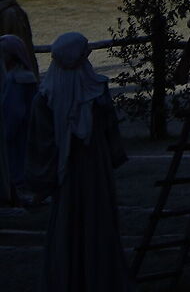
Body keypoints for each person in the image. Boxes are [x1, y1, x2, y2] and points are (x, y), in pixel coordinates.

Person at [30, 31, 130, 292]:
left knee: (69, 225)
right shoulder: (94, 92)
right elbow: (111, 132)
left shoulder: (47, 97)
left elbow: (42, 145)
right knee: (94, 222)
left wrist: (44, 180)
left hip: (75, 172)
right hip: (93, 168)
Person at [0, 34, 37, 206]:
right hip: (23, 129)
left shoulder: (18, 79)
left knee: (15, 162)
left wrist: (6, 132)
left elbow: (15, 112)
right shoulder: (22, 76)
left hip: (17, 131)